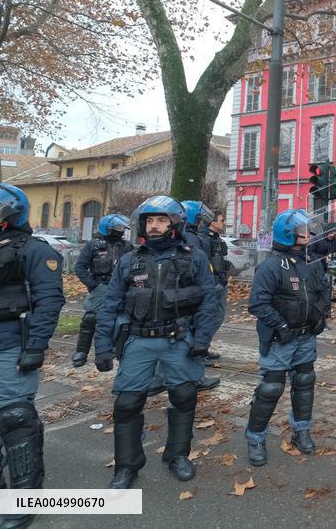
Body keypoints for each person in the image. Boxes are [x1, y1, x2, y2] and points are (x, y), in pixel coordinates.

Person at [95, 196, 219, 489]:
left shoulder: (194, 257)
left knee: (185, 396)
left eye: (161, 220)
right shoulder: (129, 260)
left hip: (179, 340)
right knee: (127, 403)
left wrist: (202, 339)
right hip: (138, 340)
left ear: (174, 223)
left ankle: (177, 456)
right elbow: (110, 304)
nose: (154, 226)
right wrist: (102, 346)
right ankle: (127, 466)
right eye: (150, 220)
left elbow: (208, 301)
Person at [0, 183, 64, 529]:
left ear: (10, 214)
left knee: (15, 417)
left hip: (8, 344)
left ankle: (25, 500)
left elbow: (49, 301)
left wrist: (35, 347)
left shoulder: (31, 250)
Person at [245, 210, 329, 466]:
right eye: (302, 228)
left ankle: (301, 431)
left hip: (306, 337)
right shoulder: (270, 266)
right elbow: (257, 304)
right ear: (288, 233)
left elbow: (324, 291)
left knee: (305, 382)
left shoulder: (312, 262)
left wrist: (321, 315)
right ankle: (256, 438)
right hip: (280, 339)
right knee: (271, 389)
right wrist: (280, 325)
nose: (308, 232)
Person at [72, 214, 132, 368]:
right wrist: (93, 285)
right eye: (117, 228)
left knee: (120, 318)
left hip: (121, 287)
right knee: (90, 318)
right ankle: (81, 351)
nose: (120, 231)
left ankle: (113, 348)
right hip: (101, 285)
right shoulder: (93, 245)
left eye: (122, 228)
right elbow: (80, 267)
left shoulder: (126, 246)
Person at [180, 201, 222, 389]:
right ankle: (195, 377)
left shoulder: (190, 235)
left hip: (193, 291)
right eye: (198, 218)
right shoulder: (190, 237)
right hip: (194, 292)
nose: (200, 221)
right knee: (194, 332)